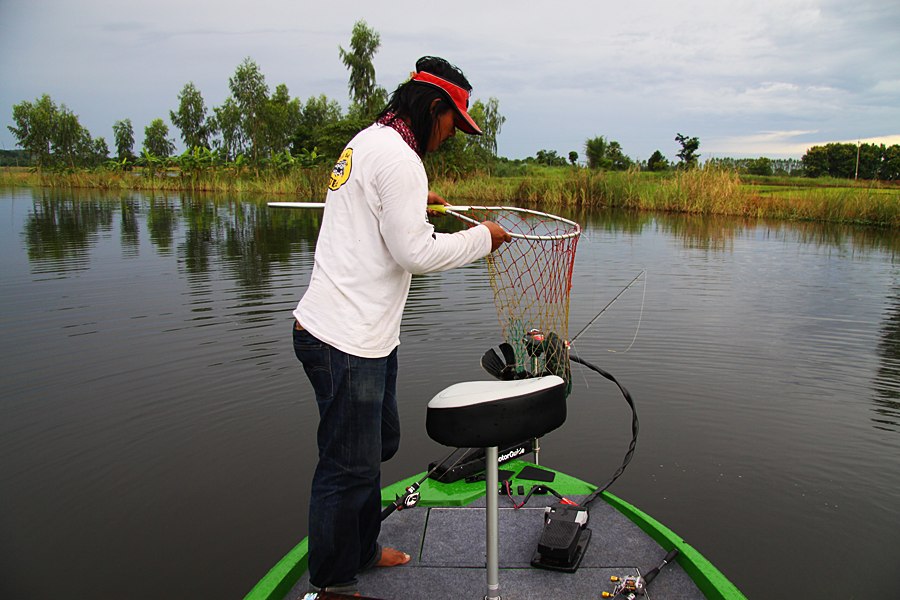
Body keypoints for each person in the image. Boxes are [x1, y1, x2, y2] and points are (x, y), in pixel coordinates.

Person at [292, 56, 511, 595]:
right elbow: (414, 253)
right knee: (345, 467)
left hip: (359, 334)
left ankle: (361, 548)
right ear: (434, 108)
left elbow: (384, 218)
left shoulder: (370, 142)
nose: (452, 135)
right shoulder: (399, 160)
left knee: (377, 445)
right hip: (345, 338)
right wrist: (484, 237)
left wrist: (418, 204)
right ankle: (333, 582)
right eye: (453, 123)